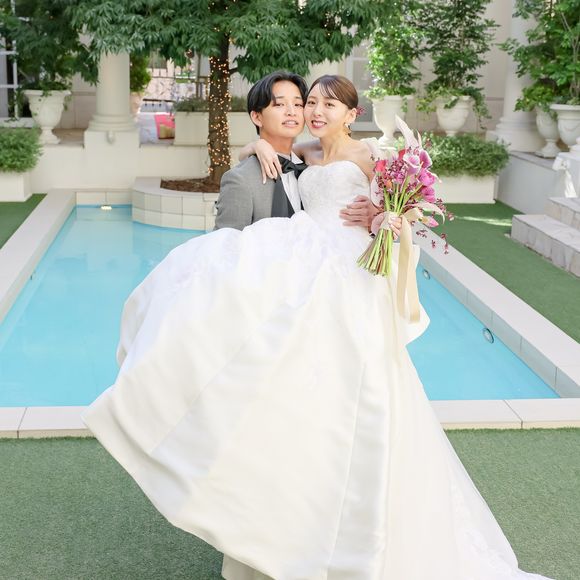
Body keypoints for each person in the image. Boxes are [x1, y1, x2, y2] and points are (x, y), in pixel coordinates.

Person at [83, 75, 550, 580]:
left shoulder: (369, 155)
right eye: (311, 102)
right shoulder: (305, 154)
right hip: (307, 257)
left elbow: (407, 210)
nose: (315, 110)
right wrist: (258, 143)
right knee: (292, 380)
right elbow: (268, 151)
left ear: (352, 113)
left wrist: (384, 217)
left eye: (328, 103)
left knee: (359, 390)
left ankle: (357, 531)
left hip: (350, 270)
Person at [214, 70, 380, 234]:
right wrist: (257, 145)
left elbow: (391, 208)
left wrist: (376, 216)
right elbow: (224, 243)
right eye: (279, 104)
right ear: (257, 117)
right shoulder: (240, 180)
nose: (291, 112)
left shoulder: (305, 160)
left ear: (351, 115)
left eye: (298, 104)